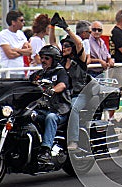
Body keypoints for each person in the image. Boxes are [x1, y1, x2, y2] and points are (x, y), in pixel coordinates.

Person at [49, 13, 88, 150]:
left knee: (73, 109)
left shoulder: (80, 61)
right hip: (63, 94)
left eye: (67, 46)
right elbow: (52, 43)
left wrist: (66, 28)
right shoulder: (60, 61)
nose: (64, 48)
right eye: (63, 46)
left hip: (79, 94)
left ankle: (73, 141)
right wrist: (52, 26)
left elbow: (79, 43)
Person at [29, 45, 70, 163]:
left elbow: (62, 85)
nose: (43, 60)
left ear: (54, 59)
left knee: (51, 118)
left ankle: (46, 150)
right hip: (41, 108)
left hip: (59, 109)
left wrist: (52, 90)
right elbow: (26, 84)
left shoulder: (60, 72)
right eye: (42, 58)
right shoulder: (38, 74)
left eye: (47, 58)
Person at [0, 10, 32, 78]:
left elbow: (30, 51)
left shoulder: (21, 34)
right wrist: (22, 51)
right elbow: (10, 54)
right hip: (8, 72)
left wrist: (16, 50)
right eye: (21, 20)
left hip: (21, 71)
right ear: (13, 22)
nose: (23, 22)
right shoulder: (3, 34)